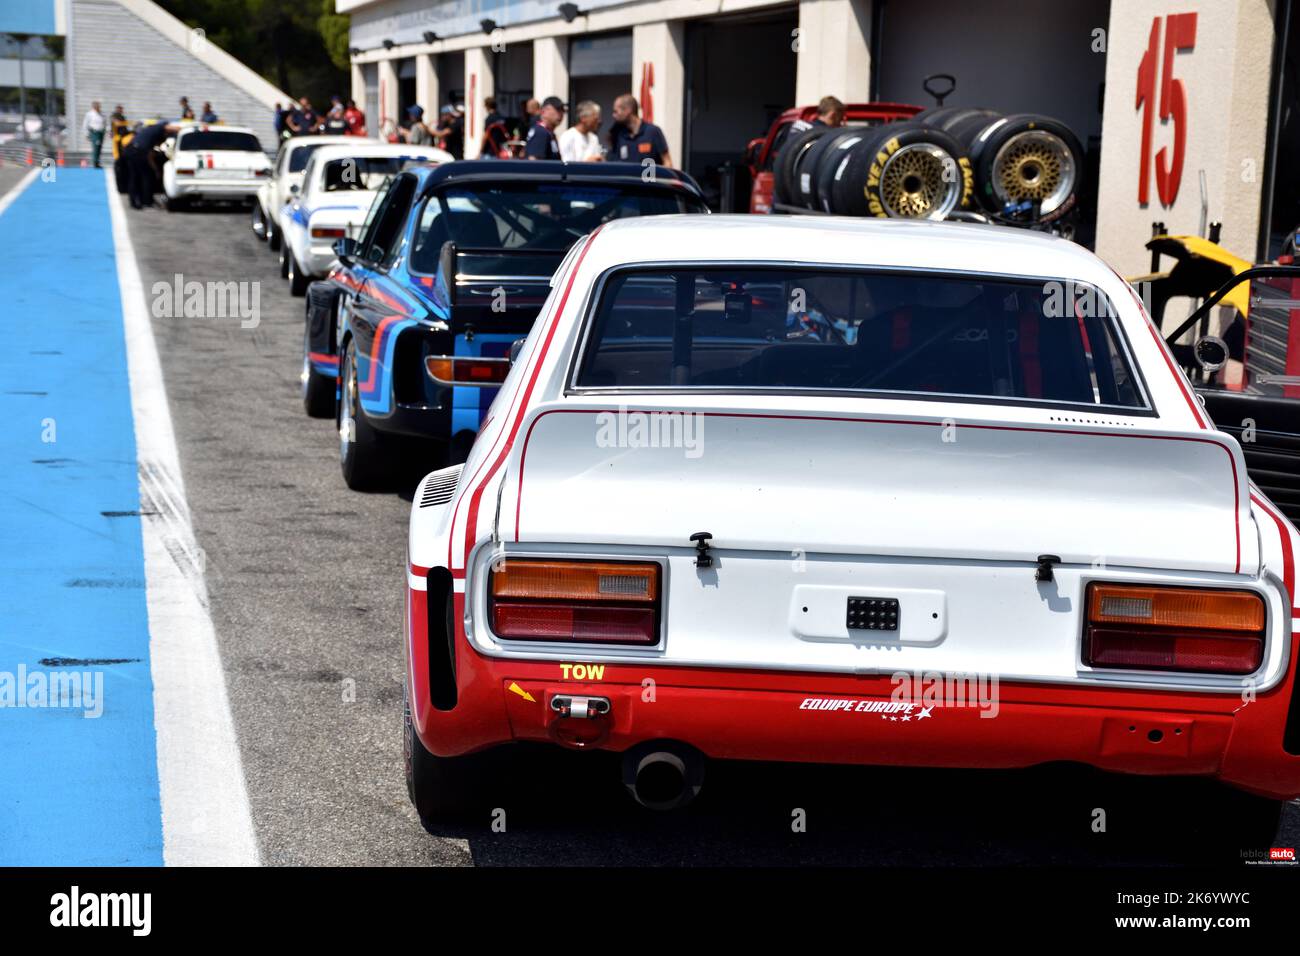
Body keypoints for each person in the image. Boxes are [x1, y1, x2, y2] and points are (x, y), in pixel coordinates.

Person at [125, 120, 179, 209]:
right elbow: (171, 128)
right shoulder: (159, 128)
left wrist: (155, 169)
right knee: (146, 176)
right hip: (138, 151)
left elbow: (150, 155)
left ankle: (135, 202)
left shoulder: (151, 134)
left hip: (131, 150)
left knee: (135, 177)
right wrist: (183, 129)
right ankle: (147, 202)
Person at [610, 93, 672, 167]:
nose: (613, 115)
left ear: (628, 110)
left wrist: (663, 177)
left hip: (650, 178)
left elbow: (667, 161)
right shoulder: (620, 135)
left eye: (616, 111)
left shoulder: (653, 132)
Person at [524, 96, 564, 160]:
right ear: (544, 111)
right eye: (558, 110)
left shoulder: (548, 132)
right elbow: (534, 162)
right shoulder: (540, 132)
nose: (561, 114)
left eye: (563, 110)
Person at [83, 101, 106, 168]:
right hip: (94, 132)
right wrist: (86, 134)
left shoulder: (102, 114)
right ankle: (95, 162)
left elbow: (105, 123)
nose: (98, 107)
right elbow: (85, 124)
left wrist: (107, 131)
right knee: (96, 147)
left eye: (98, 106)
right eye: (96, 106)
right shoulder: (89, 114)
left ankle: (97, 161)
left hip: (101, 132)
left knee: (99, 148)